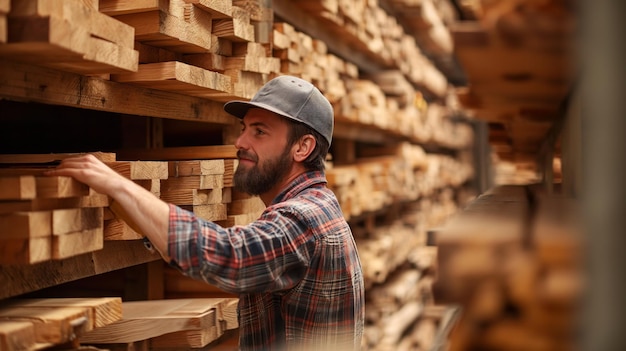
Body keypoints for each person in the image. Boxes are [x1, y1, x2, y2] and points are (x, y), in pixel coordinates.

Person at [46, 75, 365, 351]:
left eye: (259, 132)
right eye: (244, 129)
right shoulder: (321, 205)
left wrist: (119, 185)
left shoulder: (304, 219)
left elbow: (231, 256)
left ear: (302, 147)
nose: (240, 142)